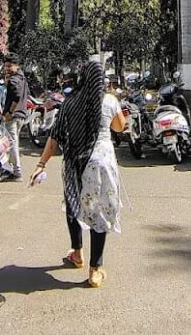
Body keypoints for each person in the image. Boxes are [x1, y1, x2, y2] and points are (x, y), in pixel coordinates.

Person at [30, 60, 126, 288]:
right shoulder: (109, 101)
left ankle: (77, 253)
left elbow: (54, 136)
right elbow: (119, 127)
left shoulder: (70, 102)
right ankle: (95, 270)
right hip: (101, 164)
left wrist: (41, 164)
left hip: (75, 163)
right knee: (99, 213)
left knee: (74, 205)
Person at [0, 54, 29, 181]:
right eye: (5, 66)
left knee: (12, 143)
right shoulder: (22, 77)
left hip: (13, 116)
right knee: (13, 141)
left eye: (9, 66)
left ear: (17, 66)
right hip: (21, 114)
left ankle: (17, 172)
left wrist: (9, 112)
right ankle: (11, 169)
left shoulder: (14, 80)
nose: (7, 68)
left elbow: (16, 96)